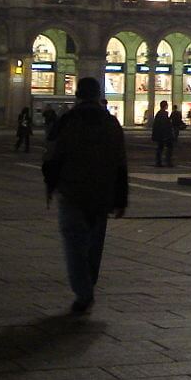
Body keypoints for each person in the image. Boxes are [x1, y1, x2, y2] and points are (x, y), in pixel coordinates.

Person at [42, 77, 127, 314]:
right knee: (94, 243)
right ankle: (89, 281)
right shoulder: (111, 122)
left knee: (74, 244)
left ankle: (83, 292)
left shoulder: (67, 120)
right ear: (98, 95)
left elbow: (52, 156)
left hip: (72, 191)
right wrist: (121, 199)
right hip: (102, 192)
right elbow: (121, 163)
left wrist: (50, 186)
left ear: (77, 95)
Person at [152, 100, 175, 167]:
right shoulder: (164, 114)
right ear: (165, 106)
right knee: (168, 148)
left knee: (160, 148)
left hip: (160, 134)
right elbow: (165, 125)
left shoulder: (158, 113)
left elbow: (156, 125)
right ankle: (167, 161)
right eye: (167, 105)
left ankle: (159, 161)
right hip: (164, 135)